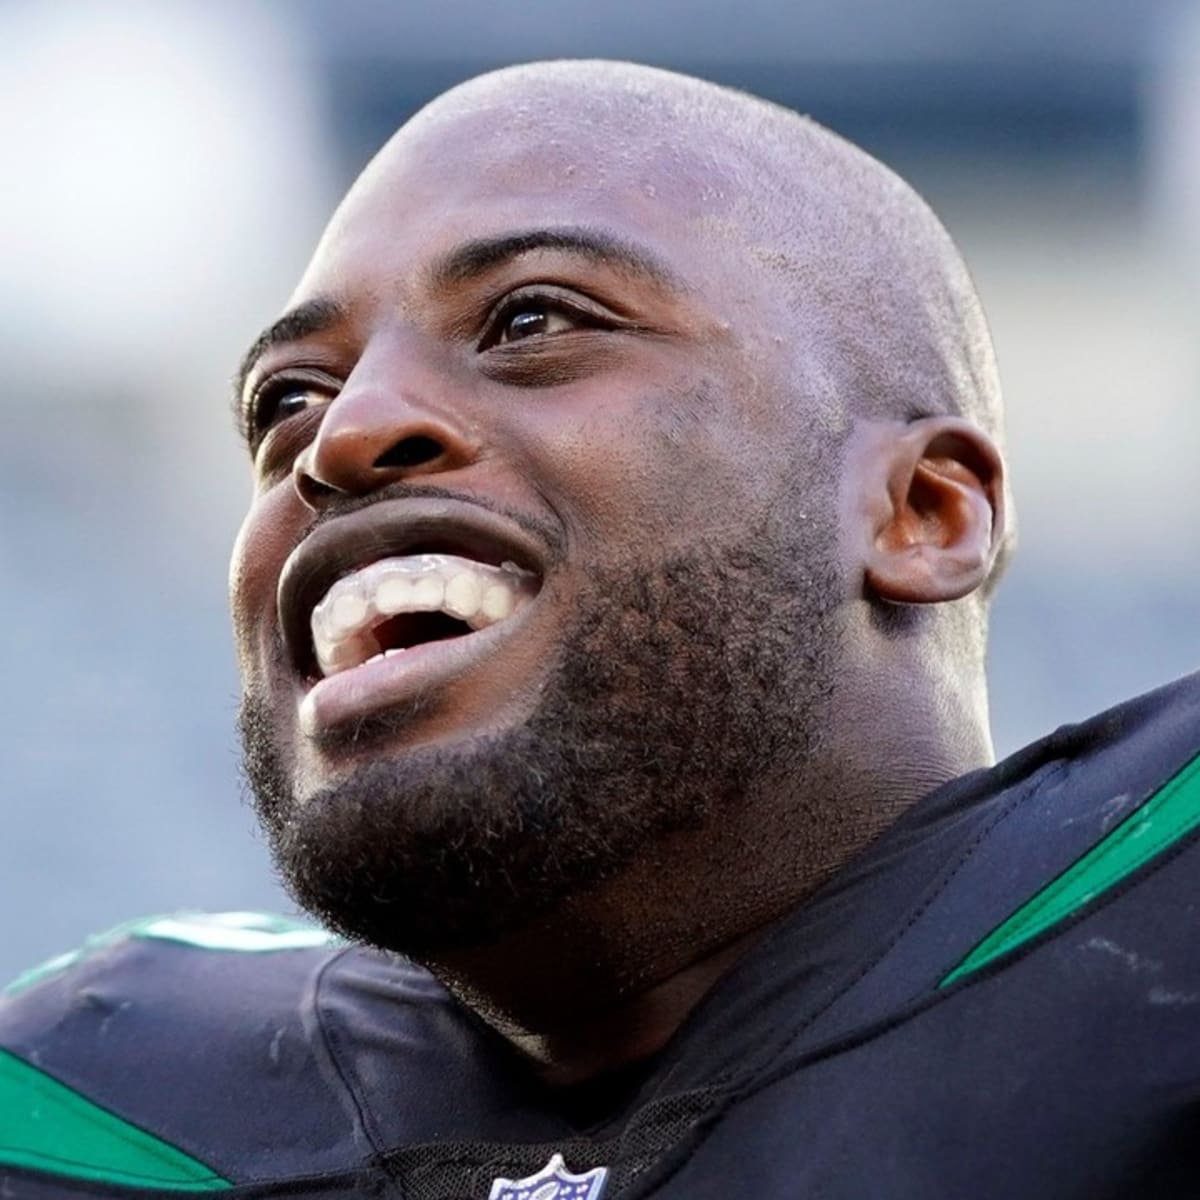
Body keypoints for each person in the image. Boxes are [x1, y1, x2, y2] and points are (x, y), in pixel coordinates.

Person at [2, 60, 1197, 1200]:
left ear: (923, 514)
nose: (342, 436)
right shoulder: (85, 1110)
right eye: (287, 401)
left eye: (530, 322)